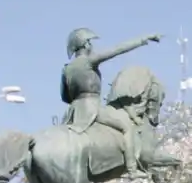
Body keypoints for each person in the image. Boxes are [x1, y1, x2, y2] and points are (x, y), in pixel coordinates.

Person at [60, 27, 162, 174]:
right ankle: (132, 169)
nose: (91, 45)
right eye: (89, 42)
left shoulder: (67, 68)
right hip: (92, 108)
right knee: (126, 128)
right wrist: (143, 39)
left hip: (73, 113)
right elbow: (118, 49)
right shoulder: (89, 61)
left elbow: (64, 97)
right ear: (85, 44)